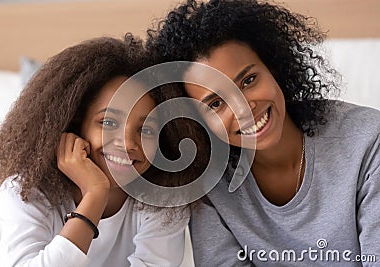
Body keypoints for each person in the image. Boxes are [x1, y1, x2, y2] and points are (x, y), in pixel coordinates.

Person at [146, 0, 380, 266]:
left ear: (274, 68)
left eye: (248, 81)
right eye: (216, 104)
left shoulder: (368, 141)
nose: (243, 109)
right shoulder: (209, 184)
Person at [0, 35, 190, 267]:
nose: (128, 143)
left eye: (147, 130)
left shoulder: (164, 198)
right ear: (75, 123)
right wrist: (94, 195)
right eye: (108, 123)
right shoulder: (25, 190)